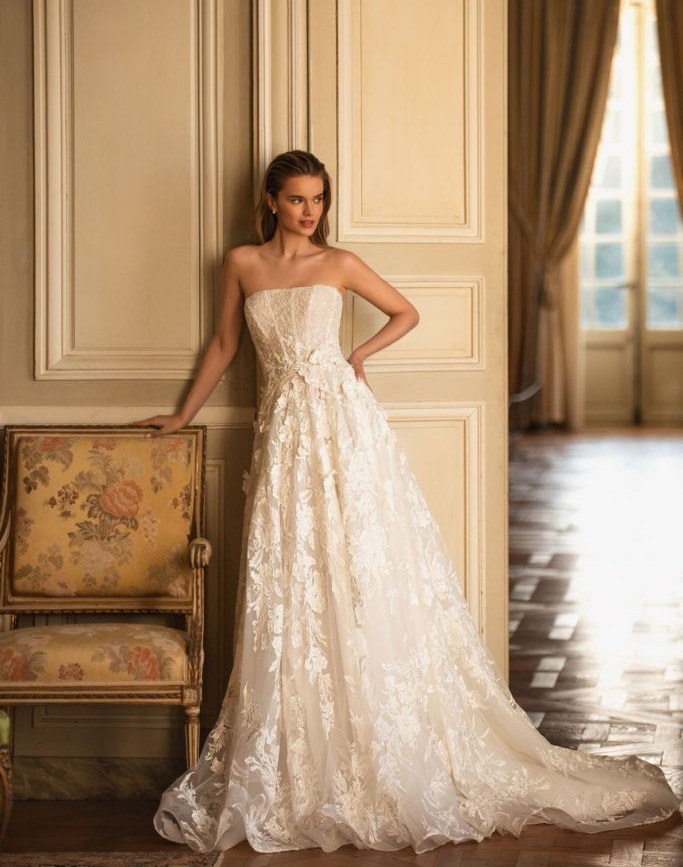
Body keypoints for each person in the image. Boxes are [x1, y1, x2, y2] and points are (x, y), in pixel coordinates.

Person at [134, 149, 680, 854]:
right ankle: (302, 752)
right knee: (290, 582)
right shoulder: (241, 263)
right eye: (297, 199)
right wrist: (183, 416)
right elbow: (221, 345)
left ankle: (380, 740)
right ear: (270, 200)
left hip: (342, 428)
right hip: (282, 440)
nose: (309, 211)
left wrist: (358, 359)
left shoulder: (340, 263)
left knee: (360, 573)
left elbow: (406, 312)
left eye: (318, 199)